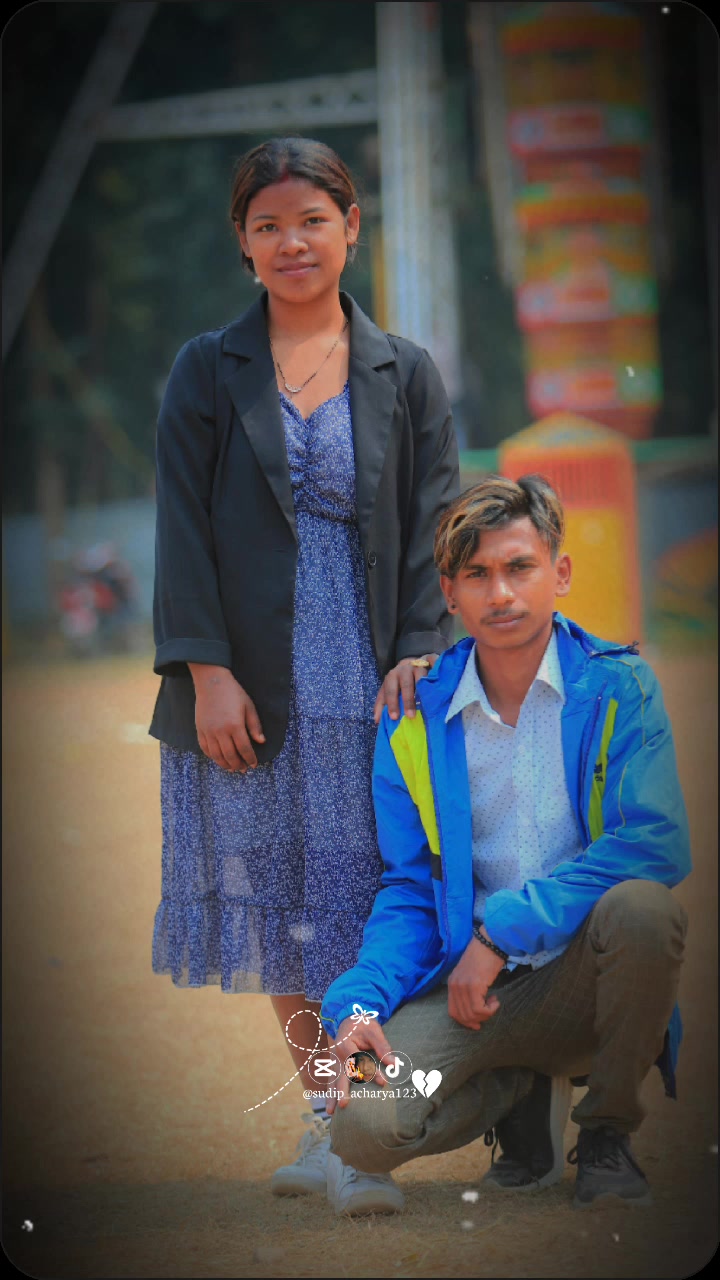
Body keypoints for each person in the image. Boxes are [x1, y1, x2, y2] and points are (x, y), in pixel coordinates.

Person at [148, 136, 459, 1204]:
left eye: (313, 220)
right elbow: (182, 529)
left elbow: (436, 524)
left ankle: (364, 1122)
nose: (293, 241)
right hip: (251, 688)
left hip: (376, 684)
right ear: (242, 241)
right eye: (268, 224)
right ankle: (333, 1122)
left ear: (351, 227)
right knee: (284, 906)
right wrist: (205, 671)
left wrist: (420, 647)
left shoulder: (405, 371)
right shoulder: (205, 368)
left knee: (371, 903)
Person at [320, 475, 691, 1216]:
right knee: (360, 1121)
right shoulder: (411, 717)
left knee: (646, 910)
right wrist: (355, 1007)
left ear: (560, 572)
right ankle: (517, 1091)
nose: (501, 594)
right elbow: (408, 886)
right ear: (449, 594)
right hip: (473, 998)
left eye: (520, 567)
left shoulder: (621, 687)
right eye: (477, 574)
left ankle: (607, 1134)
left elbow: (654, 843)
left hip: (585, 979)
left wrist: (501, 932)